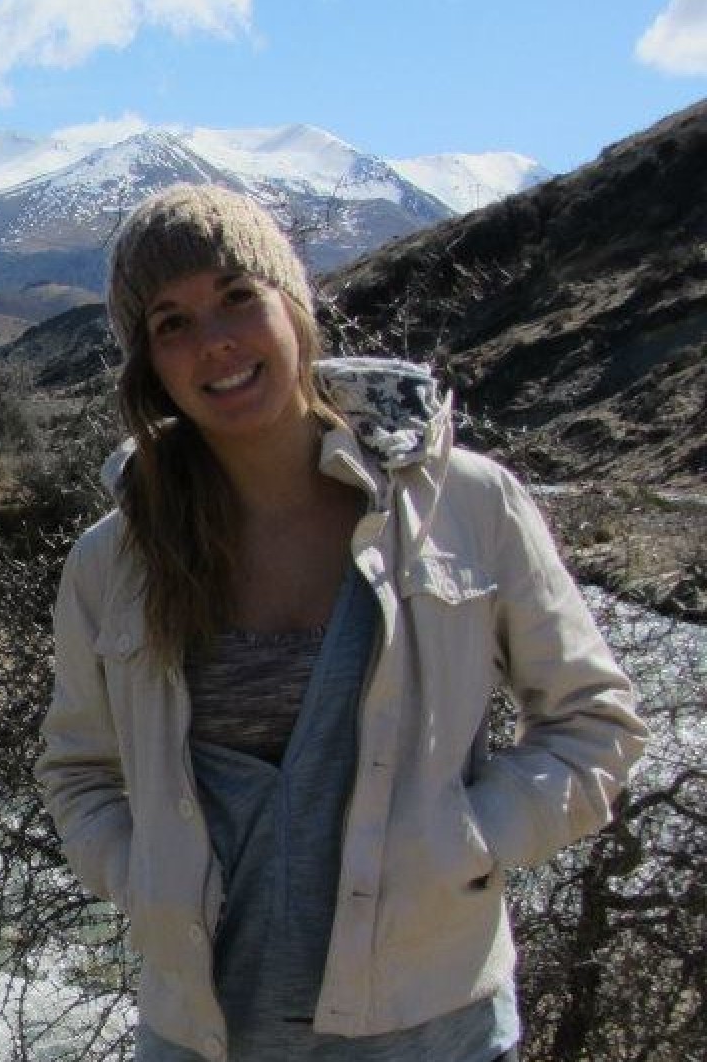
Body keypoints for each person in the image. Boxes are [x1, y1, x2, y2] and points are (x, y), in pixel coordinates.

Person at [34, 184, 646, 1061]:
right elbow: (79, 770)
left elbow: (595, 724)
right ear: (149, 363)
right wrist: (144, 877)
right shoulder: (113, 561)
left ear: (295, 306)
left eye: (238, 296)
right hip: (199, 1036)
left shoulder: (464, 503)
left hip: (438, 1033)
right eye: (171, 322)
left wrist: (467, 839)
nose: (215, 341)